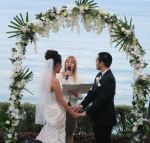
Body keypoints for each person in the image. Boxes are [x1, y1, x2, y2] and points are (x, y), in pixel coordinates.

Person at [35, 50, 80, 143]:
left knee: (50, 136)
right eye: (61, 64)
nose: (61, 67)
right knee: (58, 138)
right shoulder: (54, 81)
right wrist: (72, 112)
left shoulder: (44, 78)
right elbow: (61, 100)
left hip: (49, 111)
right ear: (57, 65)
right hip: (57, 113)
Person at [72, 52, 116, 143]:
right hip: (98, 117)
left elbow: (101, 101)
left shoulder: (109, 79)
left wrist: (85, 113)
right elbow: (91, 93)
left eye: (96, 60)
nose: (95, 62)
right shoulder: (99, 75)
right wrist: (81, 106)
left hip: (105, 119)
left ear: (101, 63)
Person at [57, 56, 81, 143]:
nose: (69, 63)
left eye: (71, 62)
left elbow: (81, 96)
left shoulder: (77, 77)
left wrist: (76, 94)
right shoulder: (60, 75)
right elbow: (57, 90)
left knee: (69, 132)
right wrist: (65, 77)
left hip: (72, 107)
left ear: (74, 65)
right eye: (67, 62)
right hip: (61, 106)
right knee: (60, 131)